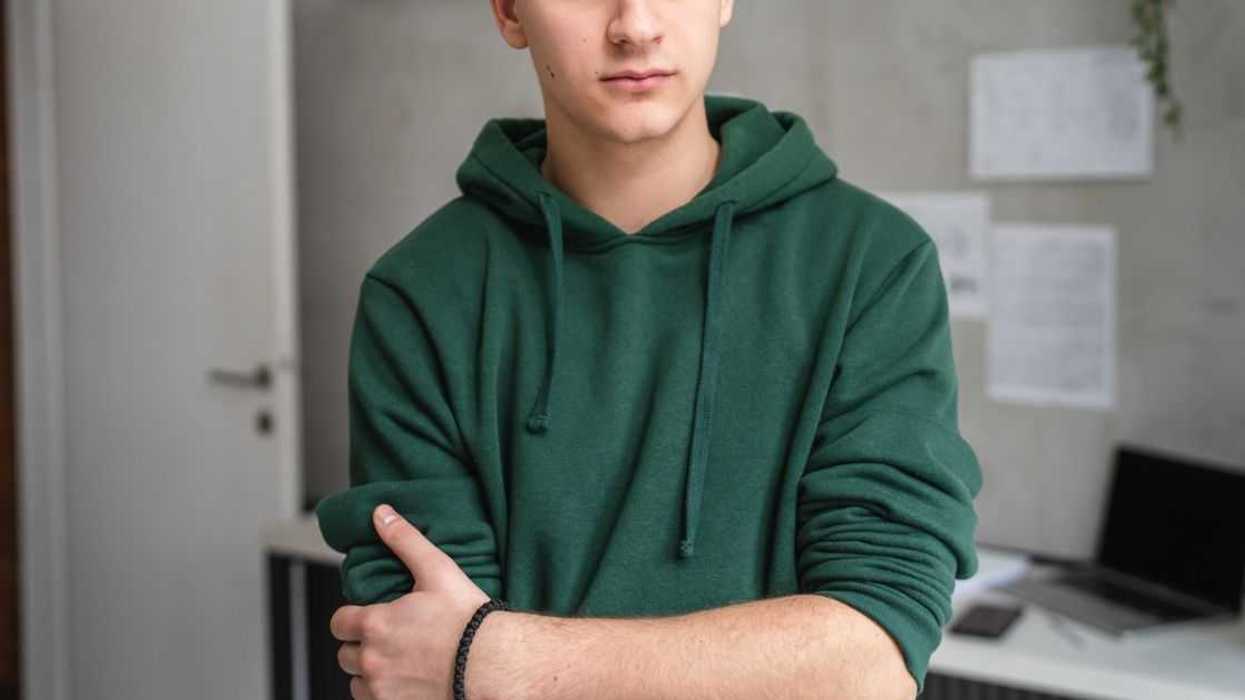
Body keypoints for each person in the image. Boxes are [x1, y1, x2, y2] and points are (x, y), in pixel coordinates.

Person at [314, 1, 983, 698]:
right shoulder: (420, 290)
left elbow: (869, 662)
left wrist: (496, 660)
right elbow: (416, 668)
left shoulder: (870, 263)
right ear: (511, 13)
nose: (634, 25)